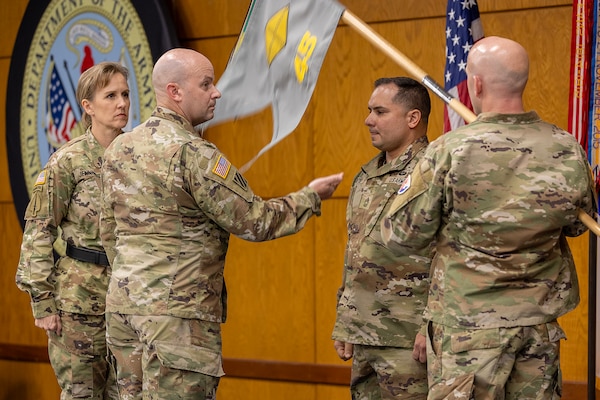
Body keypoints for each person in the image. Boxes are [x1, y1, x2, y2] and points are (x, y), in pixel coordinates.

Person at [99, 47, 344, 400]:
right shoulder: (193, 154)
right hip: (177, 320)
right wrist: (310, 197)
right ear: (175, 92)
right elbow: (255, 222)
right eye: (206, 84)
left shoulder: (119, 149)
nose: (217, 92)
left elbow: (109, 233)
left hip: (123, 309)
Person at [381, 36, 597, 400]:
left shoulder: (449, 150)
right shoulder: (566, 147)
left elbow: (399, 233)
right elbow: (577, 225)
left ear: (476, 84)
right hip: (537, 329)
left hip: (469, 333)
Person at [16, 61, 130, 399]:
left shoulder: (138, 155)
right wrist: (43, 302)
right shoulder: (68, 161)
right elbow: (38, 230)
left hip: (130, 296)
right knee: (84, 394)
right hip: (80, 300)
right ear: (88, 107)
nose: (122, 102)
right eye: (110, 95)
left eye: (125, 94)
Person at [332, 77, 432, 399]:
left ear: (412, 118)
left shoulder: (432, 172)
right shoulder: (367, 175)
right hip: (364, 333)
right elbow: (355, 253)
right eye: (369, 110)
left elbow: (449, 254)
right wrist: (346, 320)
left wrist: (431, 326)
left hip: (408, 337)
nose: (368, 120)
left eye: (379, 111)